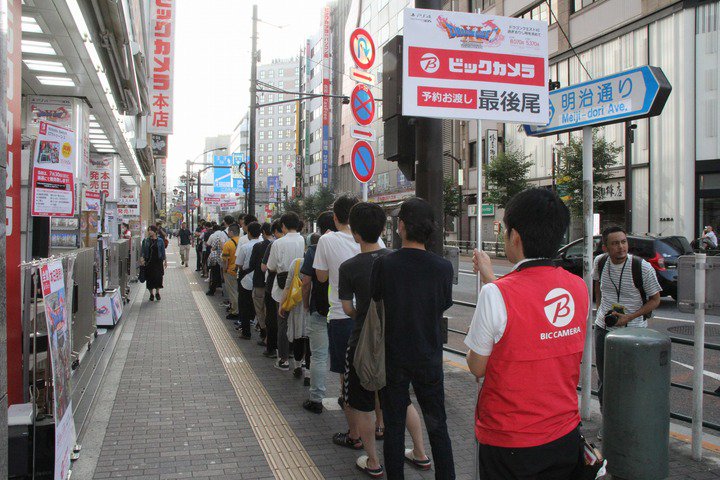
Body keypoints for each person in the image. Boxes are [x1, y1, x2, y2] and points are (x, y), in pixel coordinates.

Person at [466, 188, 589, 479]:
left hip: (510, 441)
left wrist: (489, 287)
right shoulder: (578, 287)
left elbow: (477, 366)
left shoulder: (495, 294)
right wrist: (491, 278)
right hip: (565, 434)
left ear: (515, 237)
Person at [338, 202, 430, 477]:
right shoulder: (395, 259)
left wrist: (365, 316)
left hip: (362, 345)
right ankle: (420, 453)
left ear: (355, 234)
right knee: (402, 401)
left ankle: (373, 461)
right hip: (395, 343)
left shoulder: (349, 267)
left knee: (362, 404)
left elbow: (347, 308)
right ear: (382, 229)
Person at [370, 197, 455, 479]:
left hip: (393, 356)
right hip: (429, 356)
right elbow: (443, 303)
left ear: (402, 226)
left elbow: (376, 297)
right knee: (438, 426)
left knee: (394, 427)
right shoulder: (443, 267)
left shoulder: (385, 264)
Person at [314, 196, 384, 403]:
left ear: (335, 217)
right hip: (374, 315)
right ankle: (376, 413)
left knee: (348, 371)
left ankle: (348, 403)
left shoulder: (326, 240)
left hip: (341, 314)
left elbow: (321, 277)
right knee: (375, 364)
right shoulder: (376, 240)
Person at [593, 225, 661, 433]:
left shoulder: (642, 267)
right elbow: (598, 287)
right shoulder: (600, 262)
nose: (621, 247)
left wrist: (629, 317)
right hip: (604, 329)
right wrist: (601, 311)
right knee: (605, 379)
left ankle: (632, 427)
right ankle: (608, 425)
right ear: (605, 247)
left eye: (623, 242)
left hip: (634, 331)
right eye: (615, 243)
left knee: (632, 380)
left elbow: (655, 300)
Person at [302, 212, 336, 413]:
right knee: (345, 356)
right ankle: (345, 397)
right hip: (344, 310)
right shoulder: (354, 245)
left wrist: (306, 304)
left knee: (319, 356)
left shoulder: (315, 249)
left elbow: (306, 282)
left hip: (320, 307)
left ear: (320, 229)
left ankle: (316, 399)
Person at [267, 212, 305, 370]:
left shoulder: (278, 243)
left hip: (283, 286)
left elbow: (271, 266)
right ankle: (298, 359)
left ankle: (283, 359)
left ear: (283, 226)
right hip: (300, 286)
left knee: (283, 321)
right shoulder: (303, 240)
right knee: (298, 322)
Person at [236, 222, 262, 338]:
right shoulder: (265, 244)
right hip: (261, 279)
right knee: (260, 307)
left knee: (244, 306)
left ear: (249, 233)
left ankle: (246, 332)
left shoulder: (245, 247)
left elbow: (239, 264)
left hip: (246, 279)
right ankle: (262, 332)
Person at [261, 221, 284, 358]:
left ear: (275, 231)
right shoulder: (300, 241)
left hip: (273, 285)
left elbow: (266, 267)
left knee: (272, 318)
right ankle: (288, 350)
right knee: (286, 319)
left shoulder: (273, 244)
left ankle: (271, 348)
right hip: (291, 287)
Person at [248, 223, 273, 346]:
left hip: (259, 282)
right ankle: (270, 335)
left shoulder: (258, 246)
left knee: (260, 309)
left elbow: (252, 264)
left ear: (263, 232)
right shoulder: (276, 244)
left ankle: (265, 333)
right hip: (272, 284)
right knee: (270, 310)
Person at [141, 225, 167, 302]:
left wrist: (165, 261)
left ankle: (157, 292)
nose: (150, 232)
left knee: (158, 277)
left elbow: (163, 251)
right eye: (149, 230)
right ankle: (151, 294)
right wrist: (142, 258)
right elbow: (143, 251)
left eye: (151, 230)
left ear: (155, 231)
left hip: (158, 262)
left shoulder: (160, 241)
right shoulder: (146, 240)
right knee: (149, 278)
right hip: (149, 262)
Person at [221, 224, 241, 320]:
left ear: (232, 232)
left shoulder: (228, 244)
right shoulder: (243, 241)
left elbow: (225, 260)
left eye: (228, 231)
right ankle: (239, 309)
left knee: (233, 292)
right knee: (239, 292)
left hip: (231, 271)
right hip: (241, 270)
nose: (228, 233)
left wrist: (224, 270)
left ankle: (235, 311)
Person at [206, 224, 227, 295]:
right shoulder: (230, 239)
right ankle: (224, 292)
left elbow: (212, 248)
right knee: (224, 276)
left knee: (215, 275)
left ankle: (212, 290)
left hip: (218, 260)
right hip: (227, 260)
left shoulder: (218, 238)